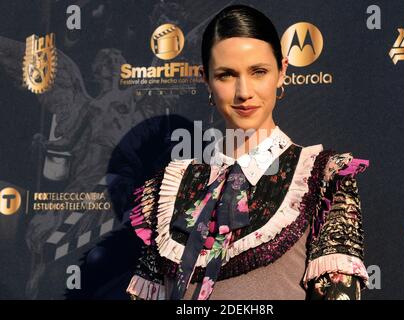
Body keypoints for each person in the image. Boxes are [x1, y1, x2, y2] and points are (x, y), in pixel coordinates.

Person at [125, 4, 369, 300]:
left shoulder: (322, 179)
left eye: (259, 72)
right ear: (206, 80)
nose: (244, 92)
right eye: (227, 75)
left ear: (282, 72)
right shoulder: (168, 188)